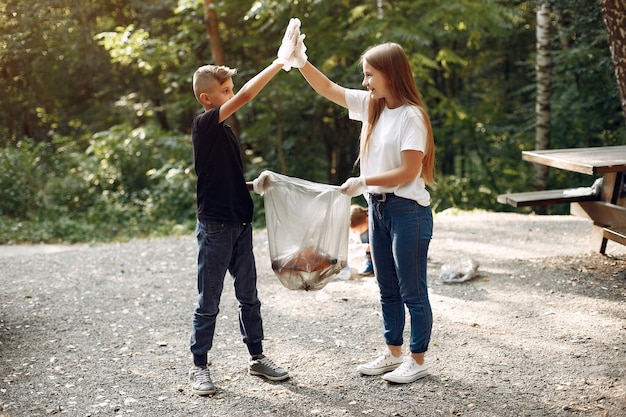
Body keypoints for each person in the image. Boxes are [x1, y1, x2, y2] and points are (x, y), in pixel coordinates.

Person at [291, 34, 436, 384]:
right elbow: (328, 89)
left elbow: (409, 172)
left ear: (391, 74)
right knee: (386, 286)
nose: (365, 81)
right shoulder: (373, 105)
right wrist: (299, 61)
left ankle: (417, 360)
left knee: (411, 289)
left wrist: (363, 180)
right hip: (378, 209)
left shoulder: (412, 117)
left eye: (371, 74)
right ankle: (394, 352)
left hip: (408, 211)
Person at [187, 19, 302, 396]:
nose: (232, 94)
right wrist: (279, 62)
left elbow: (224, 179)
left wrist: (253, 185)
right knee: (210, 301)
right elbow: (249, 95)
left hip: (239, 225)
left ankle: (257, 358)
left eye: (231, 88)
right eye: (226, 91)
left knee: (249, 297)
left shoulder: (226, 133)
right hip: (216, 228)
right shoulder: (205, 125)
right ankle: (199, 366)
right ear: (208, 98)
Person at [350, 204, 373, 276]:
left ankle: (372, 261)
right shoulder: (361, 232)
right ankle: (370, 262)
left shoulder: (373, 225)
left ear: (366, 220)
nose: (358, 232)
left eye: (358, 229)